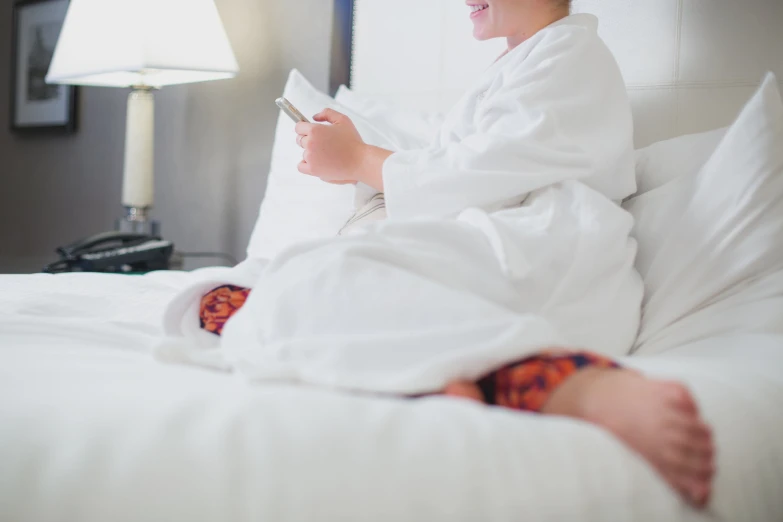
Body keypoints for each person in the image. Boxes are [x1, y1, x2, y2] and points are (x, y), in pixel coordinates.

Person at [196, 0, 714, 508]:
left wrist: (360, 158)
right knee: (229, 294)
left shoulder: (572, 55)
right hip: (492, 247)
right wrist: (360, 158)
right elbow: (452, 170)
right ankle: (451, 384)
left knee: (312, 280)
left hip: (537, 251)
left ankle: (571, 385)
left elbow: (480, 171)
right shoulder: (520, 64)